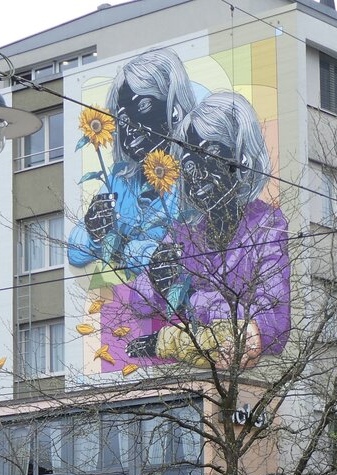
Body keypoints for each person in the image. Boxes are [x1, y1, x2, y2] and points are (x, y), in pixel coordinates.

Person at [121, 91, 291, 370]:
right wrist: (155, 276)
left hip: (246, 381)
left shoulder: (267, 226)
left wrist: (193, 299)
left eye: (209, 154)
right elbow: (139, 301)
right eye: (188, 163)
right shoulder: (185, 231)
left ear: (242, 158)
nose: (196, 173)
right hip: (186, 381)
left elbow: (272, 325)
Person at [67, 48, 199, 275]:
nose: (130, 125)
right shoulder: (121, 179)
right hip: (131, 305)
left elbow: (186, 251)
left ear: (174, 109)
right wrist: (94, 230)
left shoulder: (194, 175)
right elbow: (76, 252)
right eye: (123, 118)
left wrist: (129, 250)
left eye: (144, 107)